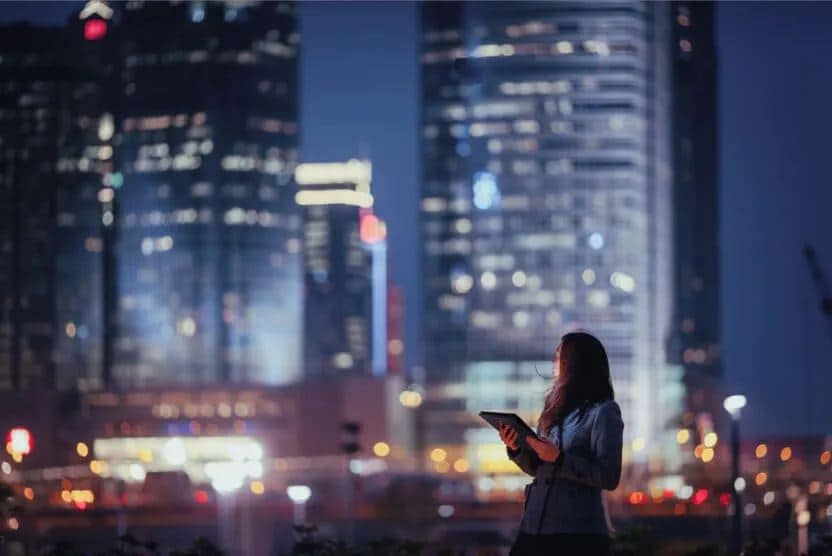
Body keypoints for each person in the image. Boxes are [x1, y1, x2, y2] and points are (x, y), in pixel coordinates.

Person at [498, 331, 624, 556]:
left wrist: (559, 458)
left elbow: (609, 476)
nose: (554, 362)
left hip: (577, 534)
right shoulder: (553, 410)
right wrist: (517, 448)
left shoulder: (603, 412)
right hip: (535, 527)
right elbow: (539, 469)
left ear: (575, 363)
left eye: (560, 356)